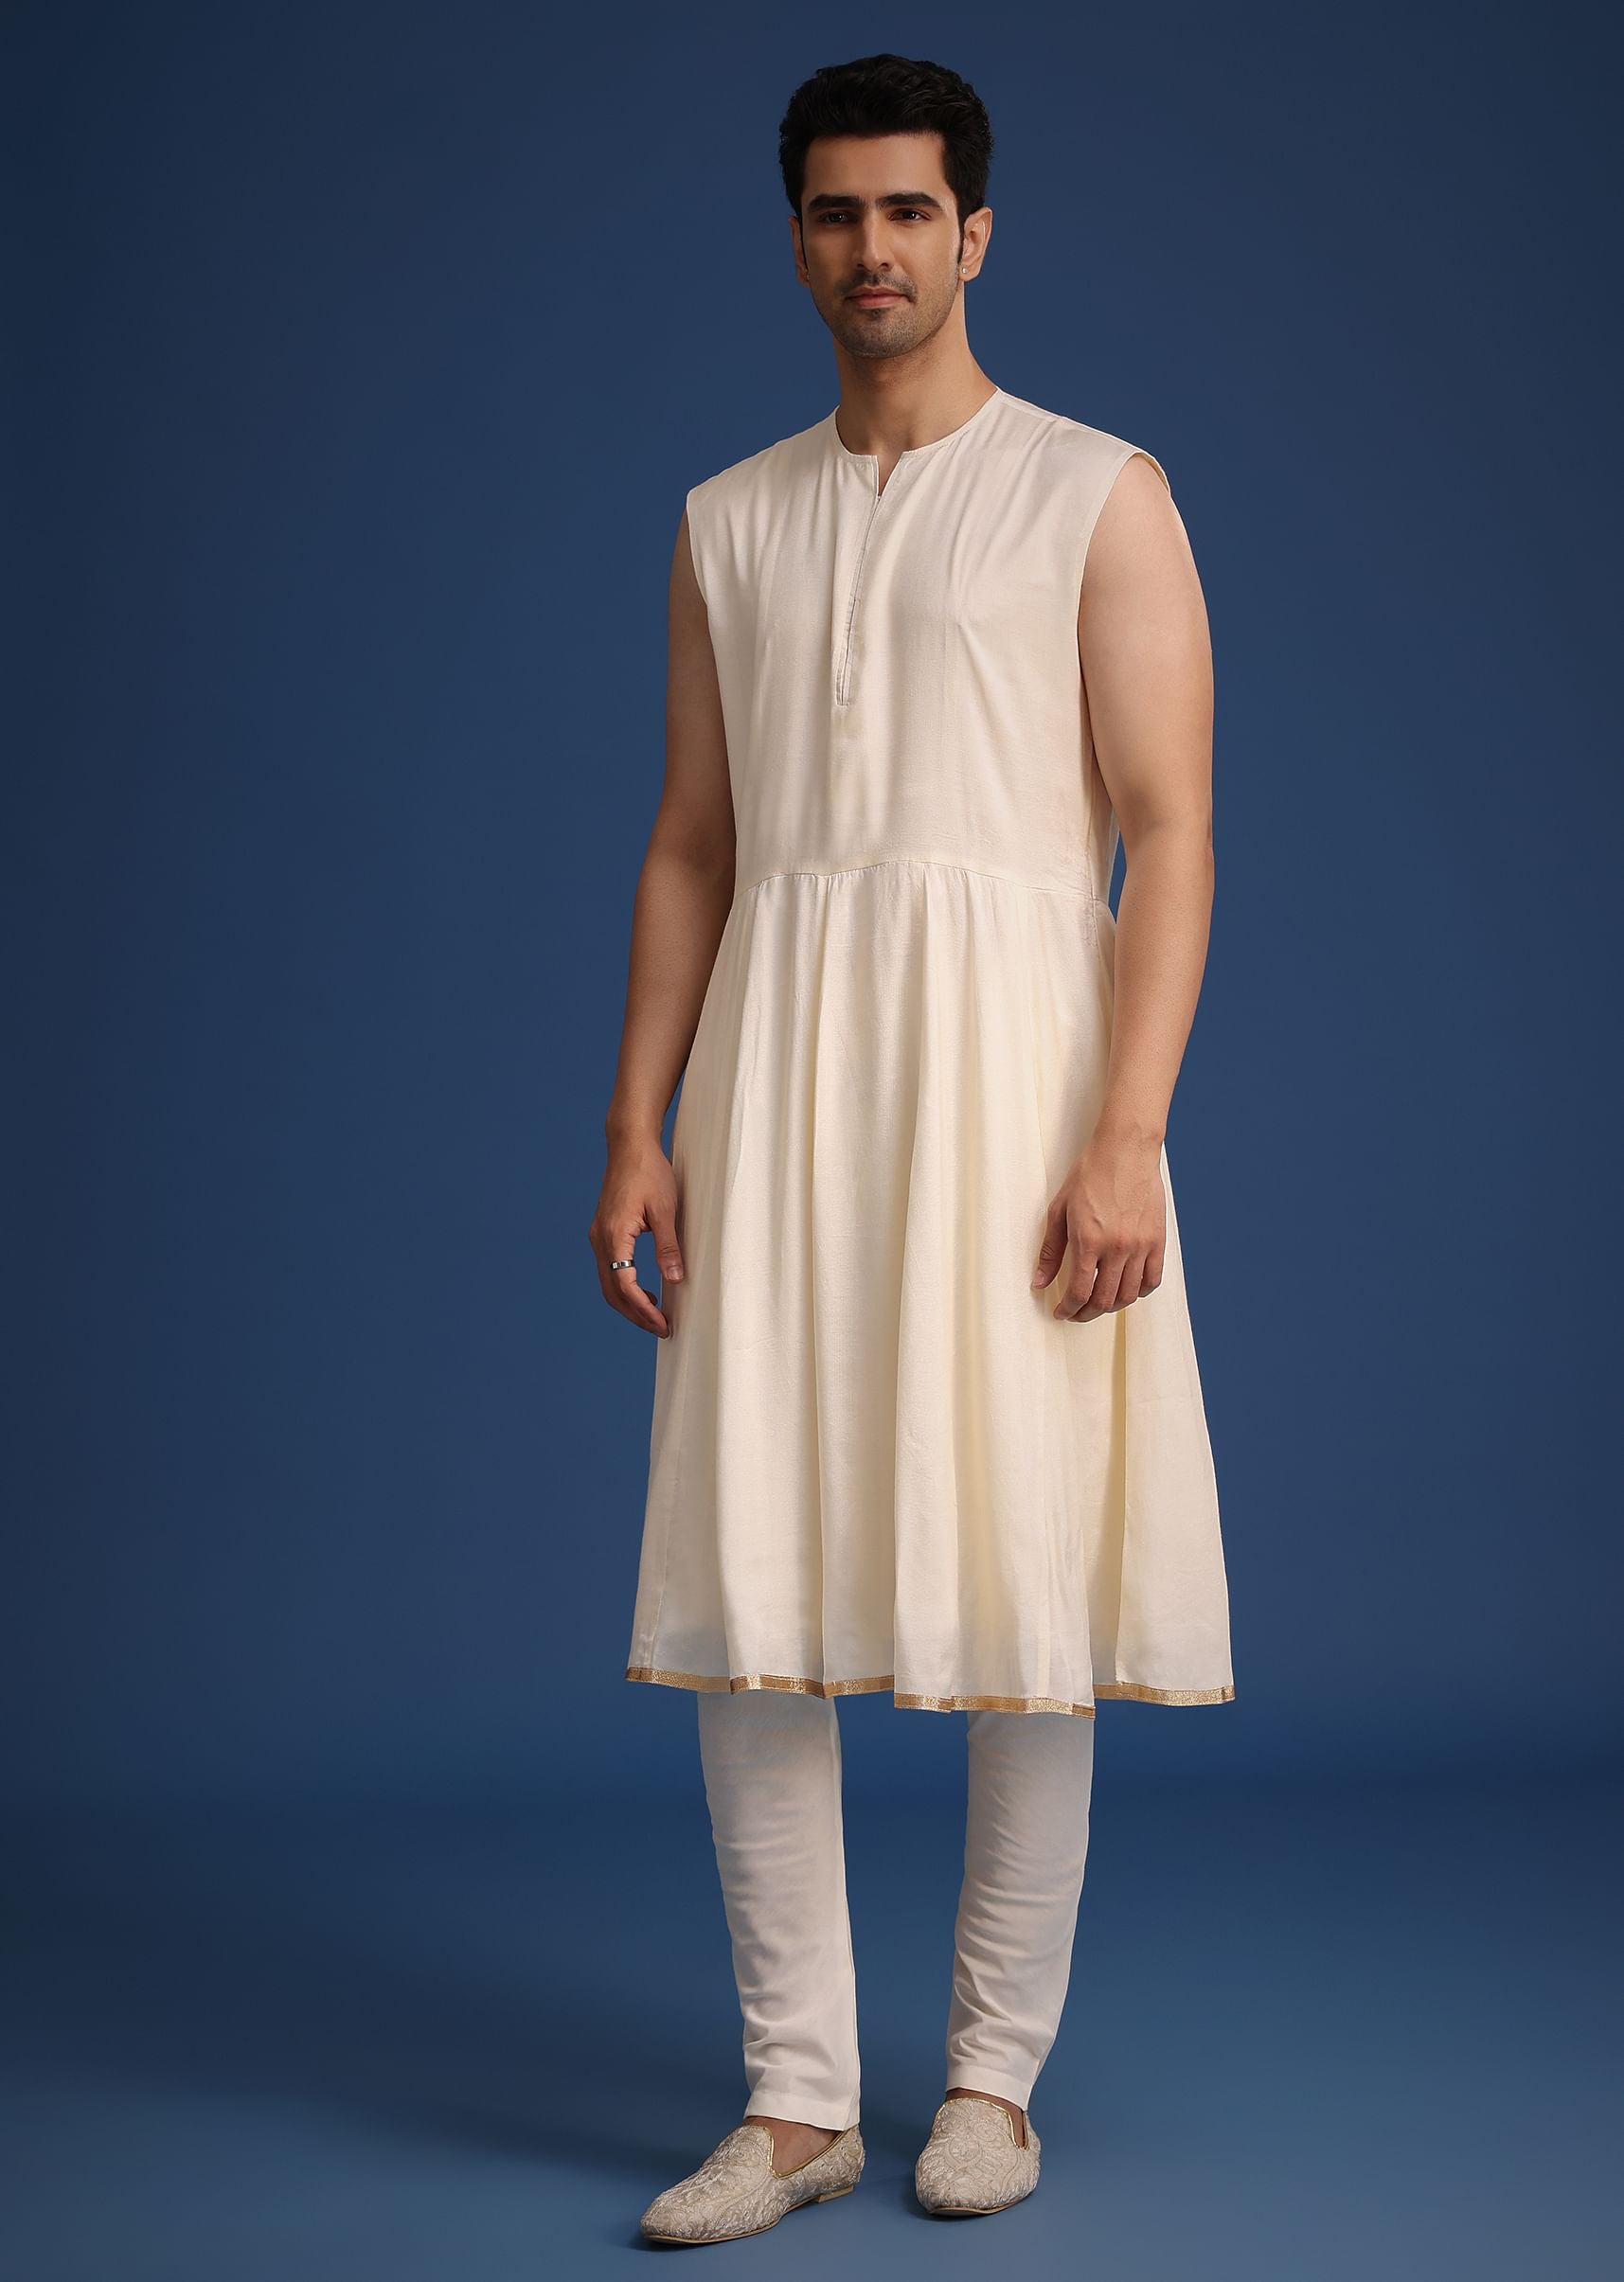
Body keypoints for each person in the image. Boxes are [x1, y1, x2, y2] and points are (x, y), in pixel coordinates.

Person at [591, 51, 1235, 2243]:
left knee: (1018, 1552)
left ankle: (989, 2080)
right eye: (833, 210)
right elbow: (695, 842)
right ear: (796, 238)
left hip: (1021, 1080)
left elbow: (1172, 831)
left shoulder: (1095, 492)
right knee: (753, 1556)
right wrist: (637, 1120)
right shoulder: (731, 518)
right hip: (777, 1081)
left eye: (907, 209)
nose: (871, 247)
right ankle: (795, 2100)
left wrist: (1128, 1130)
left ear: (976, 233)